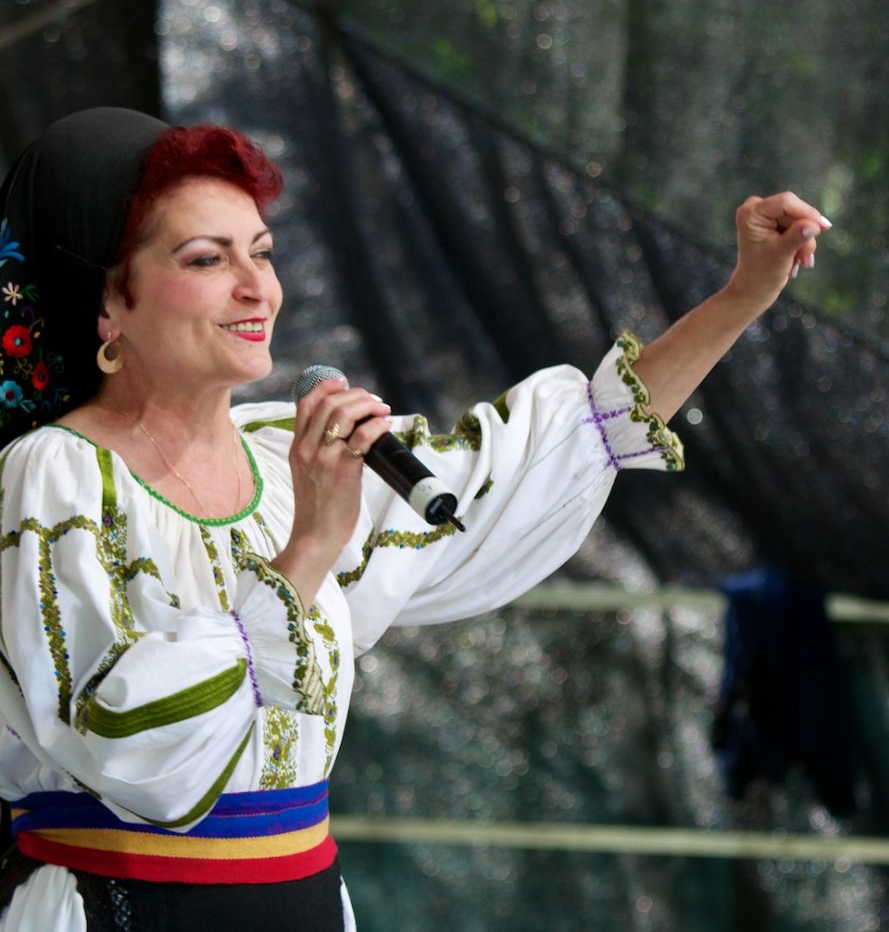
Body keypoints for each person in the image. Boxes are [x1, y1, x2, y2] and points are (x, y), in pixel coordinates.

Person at [0, 107, 827, 929]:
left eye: (263, 251)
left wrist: (742, 294)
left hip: (304, 904)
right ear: (109, 301)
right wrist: (310, 547)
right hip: (119, 906)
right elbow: (121, 741)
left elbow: (563, 448)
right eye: (207, 259)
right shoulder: (57, 474)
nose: (257, 287)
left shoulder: (288, 456)